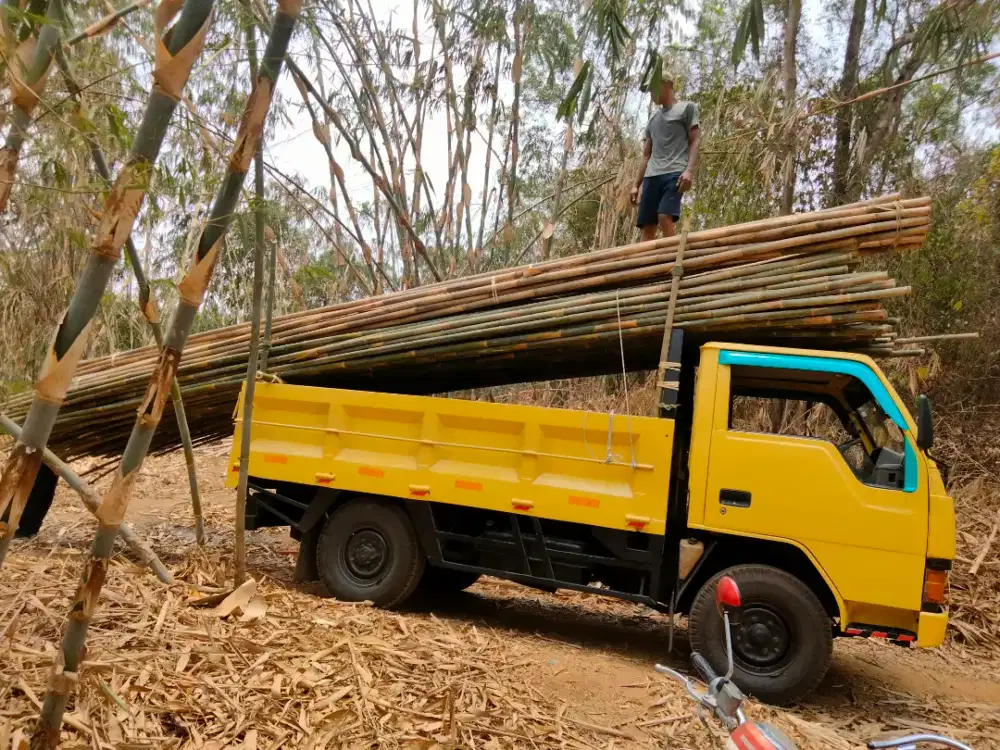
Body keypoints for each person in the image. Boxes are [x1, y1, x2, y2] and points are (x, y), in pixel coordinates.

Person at [630, 69, 700, 240]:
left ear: (667, 85)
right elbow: (646, 155)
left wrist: (689, 171)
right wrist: (635, 185)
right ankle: (645, 265)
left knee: (664, 216)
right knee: (647, 226)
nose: (651, 95)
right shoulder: (653, 120)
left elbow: (695, 140)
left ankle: (672, 262)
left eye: (654, 88)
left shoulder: (687, 109)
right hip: (652, 175)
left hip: (675, 173)